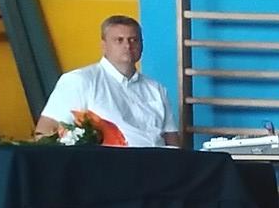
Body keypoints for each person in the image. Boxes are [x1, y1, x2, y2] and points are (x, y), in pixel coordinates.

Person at [37, 15, 177, 146]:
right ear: (104, 46)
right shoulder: (80, 81)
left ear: (142, 45)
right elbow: (45, 132)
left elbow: (172, 140)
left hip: (158, 161)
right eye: (119, 40)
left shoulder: (156, 89)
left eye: (133, 40)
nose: (128, 46)